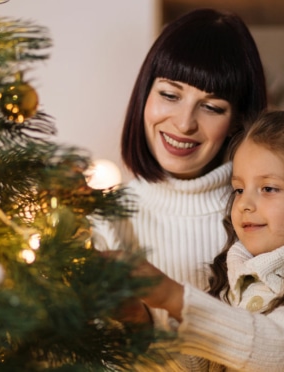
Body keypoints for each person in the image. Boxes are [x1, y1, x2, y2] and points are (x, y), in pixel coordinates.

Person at [124, 110, 284, 371]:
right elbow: (195, 366)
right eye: (239, 189)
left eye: (269, 188)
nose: (244, 204)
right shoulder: (237, 283)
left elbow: (278, 349)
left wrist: (173, 296)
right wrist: (139, 323)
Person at [92, 3, 266, 340]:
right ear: (145, 95)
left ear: (238, 122)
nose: (184, 124)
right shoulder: (102, 220)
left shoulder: (262, 219)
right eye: (170, 94)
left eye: (212, 107)